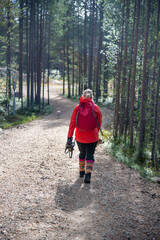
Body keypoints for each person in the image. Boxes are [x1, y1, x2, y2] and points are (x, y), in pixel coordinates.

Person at [67, 89, 102, 183]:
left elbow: (72, 123)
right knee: (90, 155)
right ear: (92, 97)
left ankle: (81, 172)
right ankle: (88, 175)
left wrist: (69, 137)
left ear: (83, 96)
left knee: (82, 153)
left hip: (80, 136)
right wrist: (95, 133)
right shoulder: (96, 108)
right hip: (92, 137)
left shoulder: (77, 107)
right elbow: (99, 123)